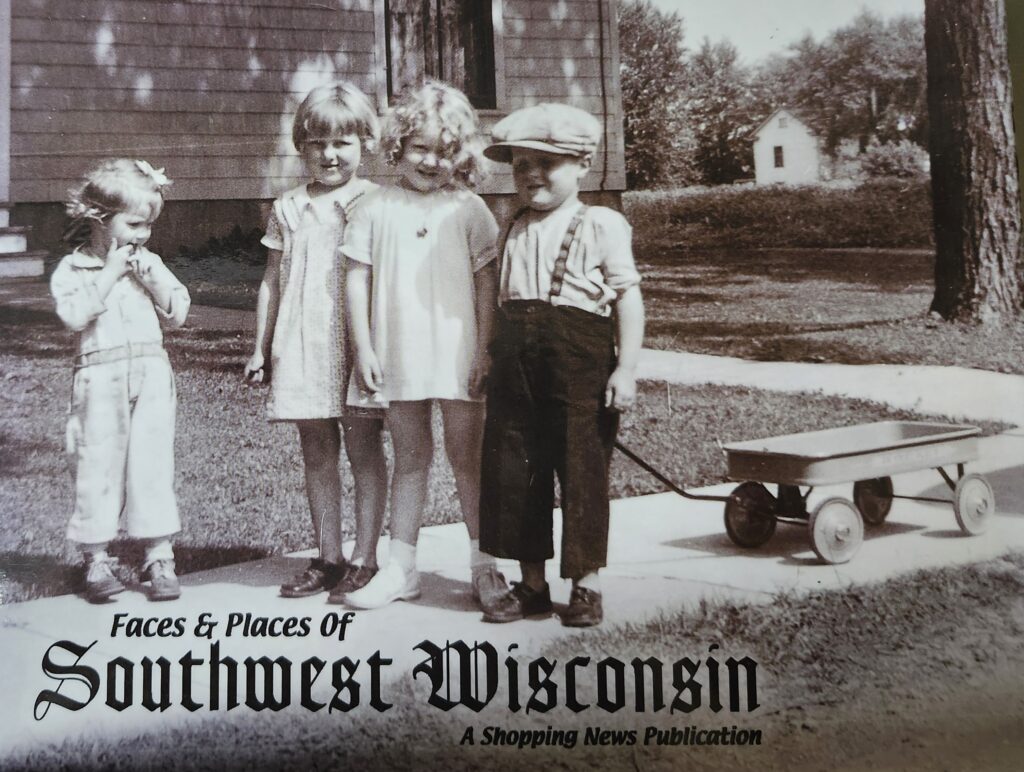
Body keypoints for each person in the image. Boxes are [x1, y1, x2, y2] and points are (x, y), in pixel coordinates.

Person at [342, 81, 507, 612]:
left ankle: (485, 566)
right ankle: (401, 568)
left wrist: (484, 349)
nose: (432, 161)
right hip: (398, 352)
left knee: (468, 458)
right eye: (420, 148)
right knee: (410, 458)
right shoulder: (374, 207)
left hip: (458, 354)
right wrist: (364, 348)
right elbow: (356, 280)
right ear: (398, 145)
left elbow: (486, 282)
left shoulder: (469, 209)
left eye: (445, 150)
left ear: (462, 155)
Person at [479, 103, 645, 627]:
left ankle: (586, 584)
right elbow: (498, 300)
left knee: (581, 469)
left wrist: (626, 369)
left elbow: (627, 297)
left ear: (583, 165)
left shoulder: (600, 223)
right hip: (516, 364)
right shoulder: (511, 225)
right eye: (520, 165)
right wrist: (488, 356)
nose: (531, 174)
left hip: (579, 362)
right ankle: (531, 584)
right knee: (515, 469)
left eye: (546, 163)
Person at [244, 82, 387, 602]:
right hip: (303, 339)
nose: (329, 154)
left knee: (364, 449)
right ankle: (328, 556)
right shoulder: (288, 207)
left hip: (356, 341)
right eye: (317, 143)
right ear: (301, 145)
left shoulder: (375, 202)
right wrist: (260, 345)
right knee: (317, 450)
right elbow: (271, 279)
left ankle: (365, 557)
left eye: (342, 142)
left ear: (365, 142)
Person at [52, 158, 191, 603]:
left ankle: (159, 556)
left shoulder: (147, 263)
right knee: (97, 464)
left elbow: (179, 311)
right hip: (99, 379)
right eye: (134, 224)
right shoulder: (73, 269)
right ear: (99, 218)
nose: (143, 235)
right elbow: (73, 315)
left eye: (148, 225)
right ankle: (96, 558)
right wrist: (110, 274)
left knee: (152, 465)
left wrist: (153, 281)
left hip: (150, 376)